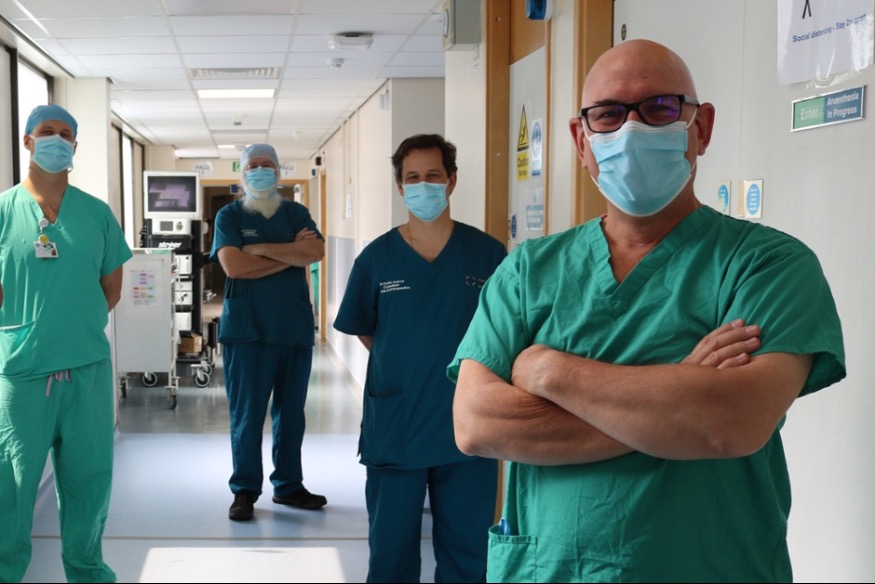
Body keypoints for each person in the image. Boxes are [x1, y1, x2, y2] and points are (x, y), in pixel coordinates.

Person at [448, 39, 847, 583]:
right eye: (609, 114)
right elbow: (476, 424)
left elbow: (730, 422)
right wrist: (679, 399)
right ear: (581, 140)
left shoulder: (767, 265)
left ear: (701, 128)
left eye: (659, 108)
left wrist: (548, 371)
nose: (632, 130)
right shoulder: (527, 272)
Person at [334, 134, 507, 582]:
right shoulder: (376, 260)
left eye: (433, 175)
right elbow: (367, 329)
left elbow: (506, 332)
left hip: (468, 425)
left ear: (452, 181)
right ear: (400, 186)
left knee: (469, 553)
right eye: (413, 178)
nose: (423, 185)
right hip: (398, 425)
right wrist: (409, 361)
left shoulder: (487, 254)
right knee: (390, 554)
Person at [0, 104, 133, 583]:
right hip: (23, 372)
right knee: (11, 487)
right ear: (27, 141)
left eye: (65, 134)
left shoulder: (96, 214)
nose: (56, 139)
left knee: (89, 482)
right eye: (46, 131)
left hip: (86, 369)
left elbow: (111, 288)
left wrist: (72, 323)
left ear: (75, 145)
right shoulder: (3, 211)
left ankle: (88, 572)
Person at [210, 143, 327, 522]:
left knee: (291, 415)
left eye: (266, 165)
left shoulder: (296, 212)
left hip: (292, 329)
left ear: (278, 172)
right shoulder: (229, 215)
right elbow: (235, 267)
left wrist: (258, 249)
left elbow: (314, 253)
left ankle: (289, 485)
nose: (259, 171)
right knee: (247, 416)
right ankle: (244, 489)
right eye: (252, 165)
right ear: (242, 173)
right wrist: (288, 253)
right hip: (247, 332)